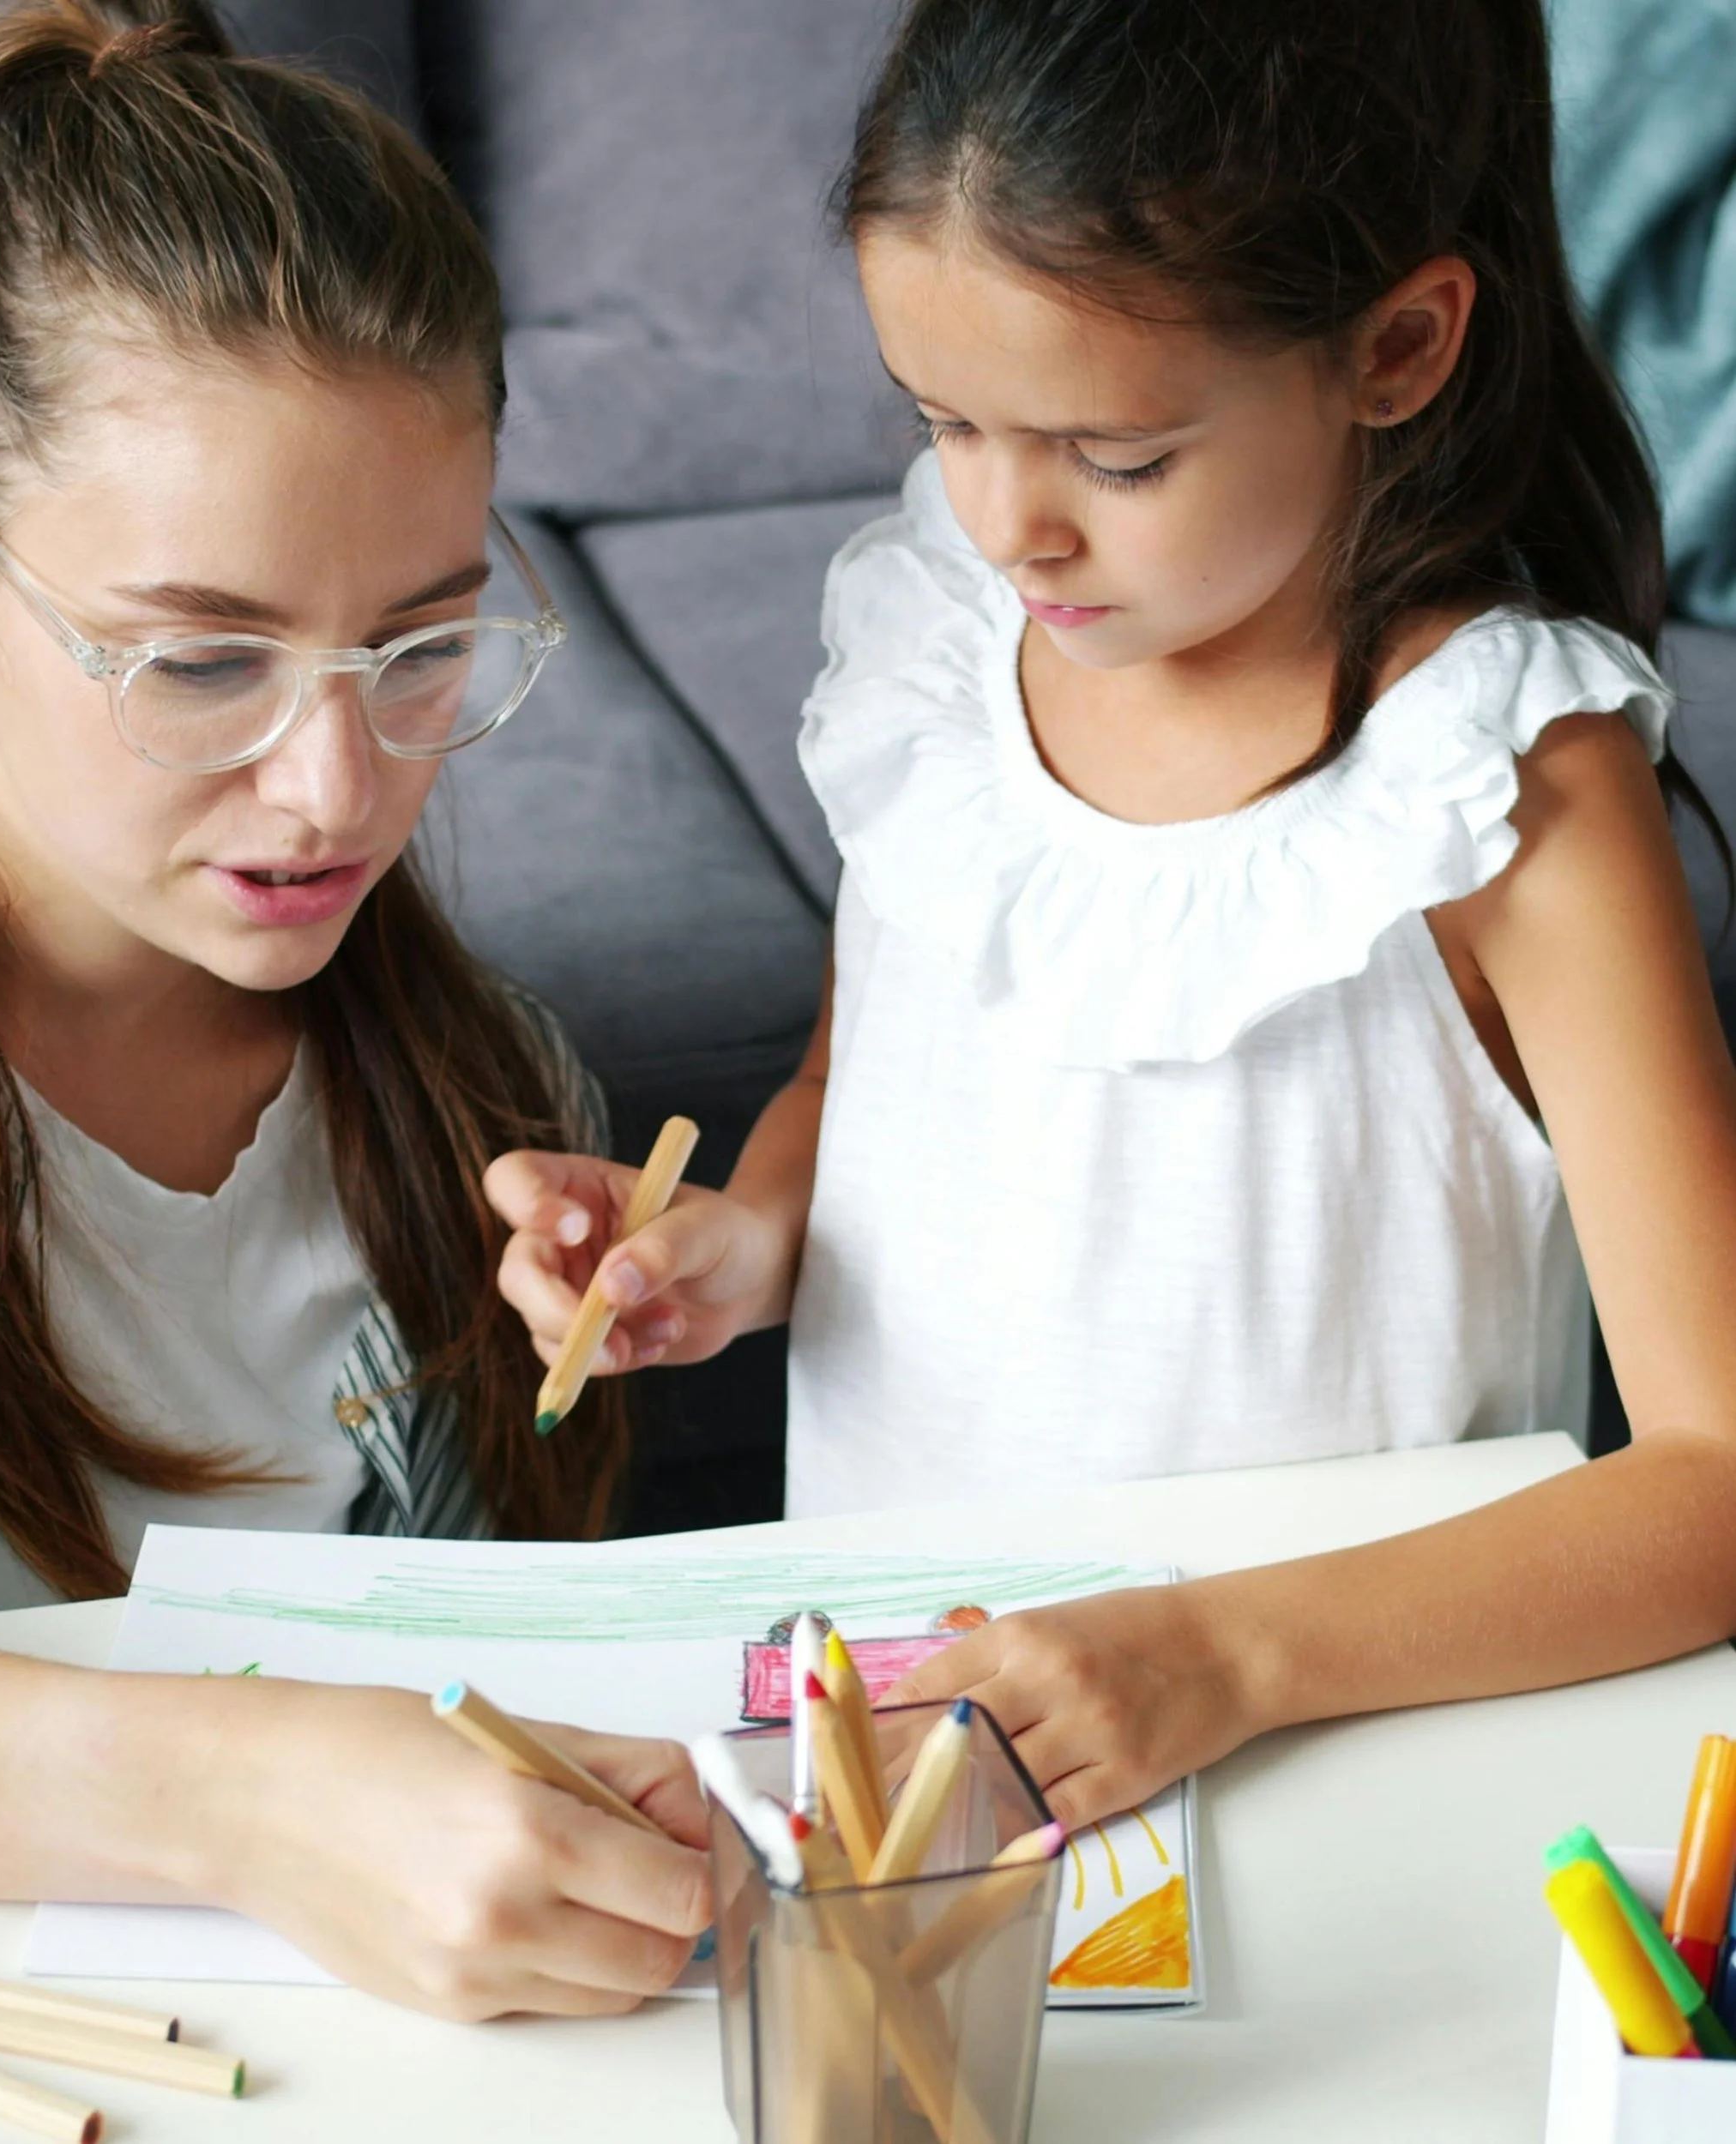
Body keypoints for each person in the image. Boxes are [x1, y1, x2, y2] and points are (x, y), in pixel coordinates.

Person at [490, 0, 1736, 1834]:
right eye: (943, 419)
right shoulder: (932, 630)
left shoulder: (1493, 785)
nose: (1006, 521)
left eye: (1116, 456)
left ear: (1393, 346)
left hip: (1323, 1769)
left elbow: (1711, 1477)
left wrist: (1211, 1655)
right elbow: (876, 1077)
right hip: (915, 1762)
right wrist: (741, 1234)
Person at [0, 0, 712, 2021]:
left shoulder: (490, 1108)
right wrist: (224, 1788)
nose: (336, 789)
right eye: (200, 662)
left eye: (421, 644)